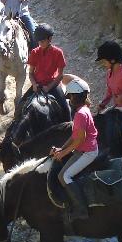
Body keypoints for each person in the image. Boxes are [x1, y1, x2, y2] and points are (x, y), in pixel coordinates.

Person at [50, 78, 98, 220]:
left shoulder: (81, 114)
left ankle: (82, 210)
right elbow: (74, 136)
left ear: (75, 97)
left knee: (65, 176)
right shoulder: (83, 111)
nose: (69, 100)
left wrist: (63, 153)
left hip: (87, 152)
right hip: (81, 150)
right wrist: (61, 149)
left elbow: (80, 139)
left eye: (70, 96)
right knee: (60, 176)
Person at [26, 23, 70, 121]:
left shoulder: (58, 52)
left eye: (42, 41)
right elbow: (31, 73)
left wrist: (49, 87)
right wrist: (34, 84)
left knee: (66, 107)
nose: (40, 44)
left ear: (49, 39)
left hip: (53, 85)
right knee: (21, 104)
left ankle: (69, 128)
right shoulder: (34, 52)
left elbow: (60, 75)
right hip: (37, 85)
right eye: (39, 41)